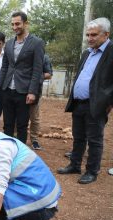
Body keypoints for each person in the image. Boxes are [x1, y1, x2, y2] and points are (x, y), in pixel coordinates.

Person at [57, 17, 113, 184]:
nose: (89, 38)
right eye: (88, 34)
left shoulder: (111, 52)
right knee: (78, 136)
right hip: (79, 103)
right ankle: (75, 165)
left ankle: (92, 171)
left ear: (106, 34)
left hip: (96, 104)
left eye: (94, 35)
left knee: (95, 139)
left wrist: (108, 102)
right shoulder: (87, 52)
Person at [0, 11, 44, 144]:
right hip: (7, 90)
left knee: (22, 125)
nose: (15, 27)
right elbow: (4, 67)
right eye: (13, 24)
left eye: (18, 24)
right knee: (7, 124)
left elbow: (37, 69)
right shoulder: (9, 43)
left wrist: (32, 92)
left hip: (24, 92)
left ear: (25, 23)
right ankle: (7, 150)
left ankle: (19, 153)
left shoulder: (37, 43)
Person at [29, 54, 53, 150]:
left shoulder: (44, 57)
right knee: (17, 117)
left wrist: (36, 76)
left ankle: (34, 140)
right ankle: (16, 137)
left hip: (35, 92)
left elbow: (49, 74)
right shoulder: (23, 54)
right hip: (19, 91)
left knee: (35, 118)